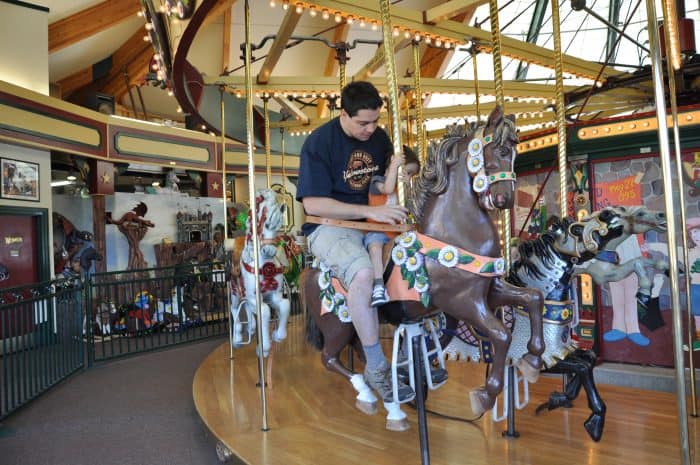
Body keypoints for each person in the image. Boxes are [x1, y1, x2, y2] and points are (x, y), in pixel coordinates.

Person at [296, 81, 414, 403]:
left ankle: (423, 348)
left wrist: (403, 172)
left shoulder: (379, 137)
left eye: (375, 121)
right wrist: (366, 211)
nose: (370, 129)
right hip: (330, 227)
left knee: (420, 258)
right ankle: (376, 366)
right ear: (343, 114)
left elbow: (393, 173)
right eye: (363, 123)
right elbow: (314, 205)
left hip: (375, 222)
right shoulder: (319, 143)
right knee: (363, 273)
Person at [366, 146, 420, 306]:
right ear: (392, 163)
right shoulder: (377, 181)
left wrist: (408, 187)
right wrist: (396, 166)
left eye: (411, 174)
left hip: (397, 233)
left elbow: (412, 207)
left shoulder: (402, 188)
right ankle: (378, 286)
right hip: (377, 231)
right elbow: (388, 189)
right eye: (407, 172)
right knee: (375, 248)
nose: (407, 176)